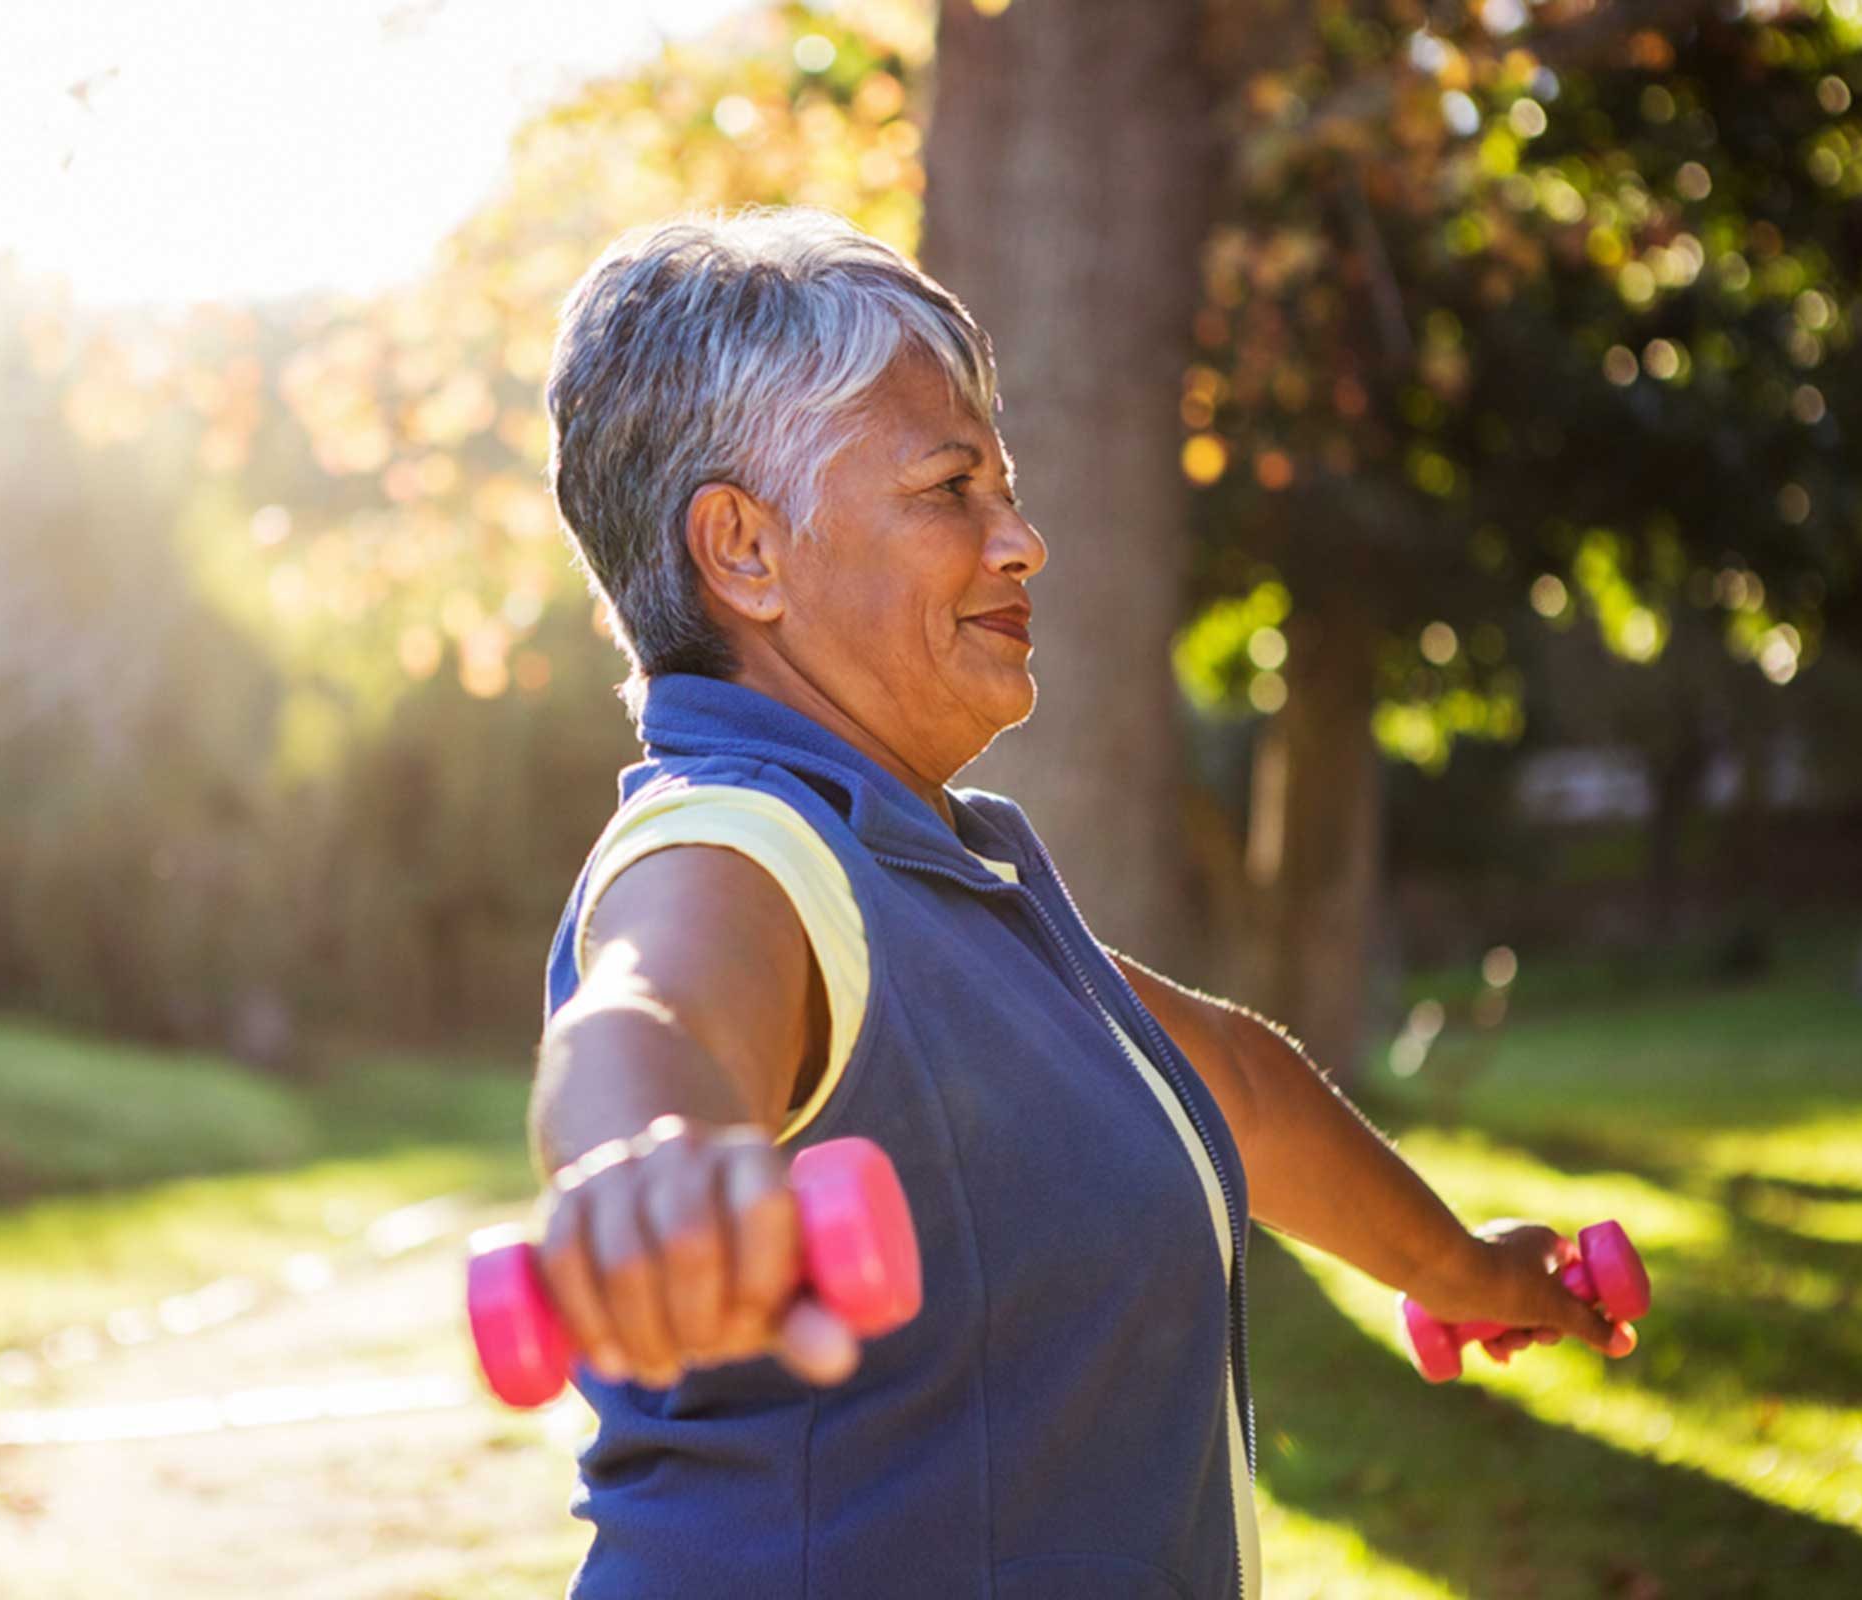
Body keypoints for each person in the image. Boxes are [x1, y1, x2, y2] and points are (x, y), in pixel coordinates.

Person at [527, 206, 1633, 1600]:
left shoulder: (935, 878)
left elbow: (1226, 1081)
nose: (1024, 541)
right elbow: (654, 1008)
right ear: (744, 551)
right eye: (950, 490)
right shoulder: (741, 845)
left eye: (1009, 488)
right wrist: (653, 1162)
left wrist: (1463, 1269)